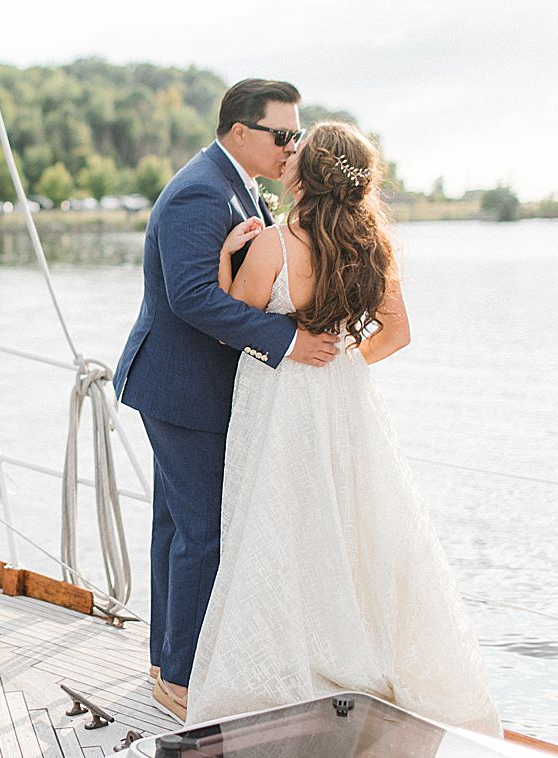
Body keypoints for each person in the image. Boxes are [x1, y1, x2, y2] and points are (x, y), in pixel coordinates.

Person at [185, 122, 503, 737]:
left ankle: (290, 661)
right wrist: (344, 365)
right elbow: (397, 333)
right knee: (350, 522)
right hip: (342, 393)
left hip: (278, 395)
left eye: (295, 153)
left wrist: (227, 258)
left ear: (309, 174)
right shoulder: (373, 244)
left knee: (275, 519)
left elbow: (232, 323)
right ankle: (355, 649)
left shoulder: (275, 245)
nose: (287, 157)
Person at [113, 79, 340, 720]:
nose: (291, 146)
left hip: (189, 386)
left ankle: (165, 658)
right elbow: (192, 298)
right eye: (282, 134)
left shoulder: (232, 183)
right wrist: (287, 339)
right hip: (180, 387)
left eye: (296, 134)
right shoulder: (200, 191)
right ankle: (179, 678)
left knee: (175, 528)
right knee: (202, 534)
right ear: (241, 131)